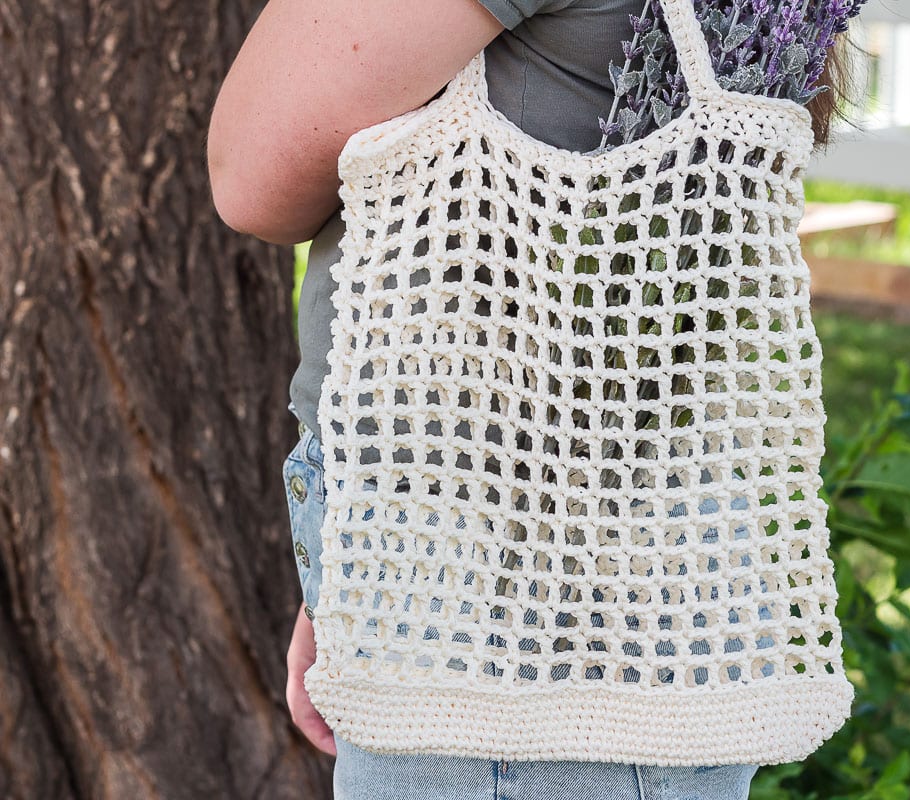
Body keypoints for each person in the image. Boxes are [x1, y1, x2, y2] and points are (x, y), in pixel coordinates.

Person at [209, 1, 853, 797]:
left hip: (504, 561)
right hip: (528, 543)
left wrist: (417, 556)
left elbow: (251, 175)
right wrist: (371, 566)